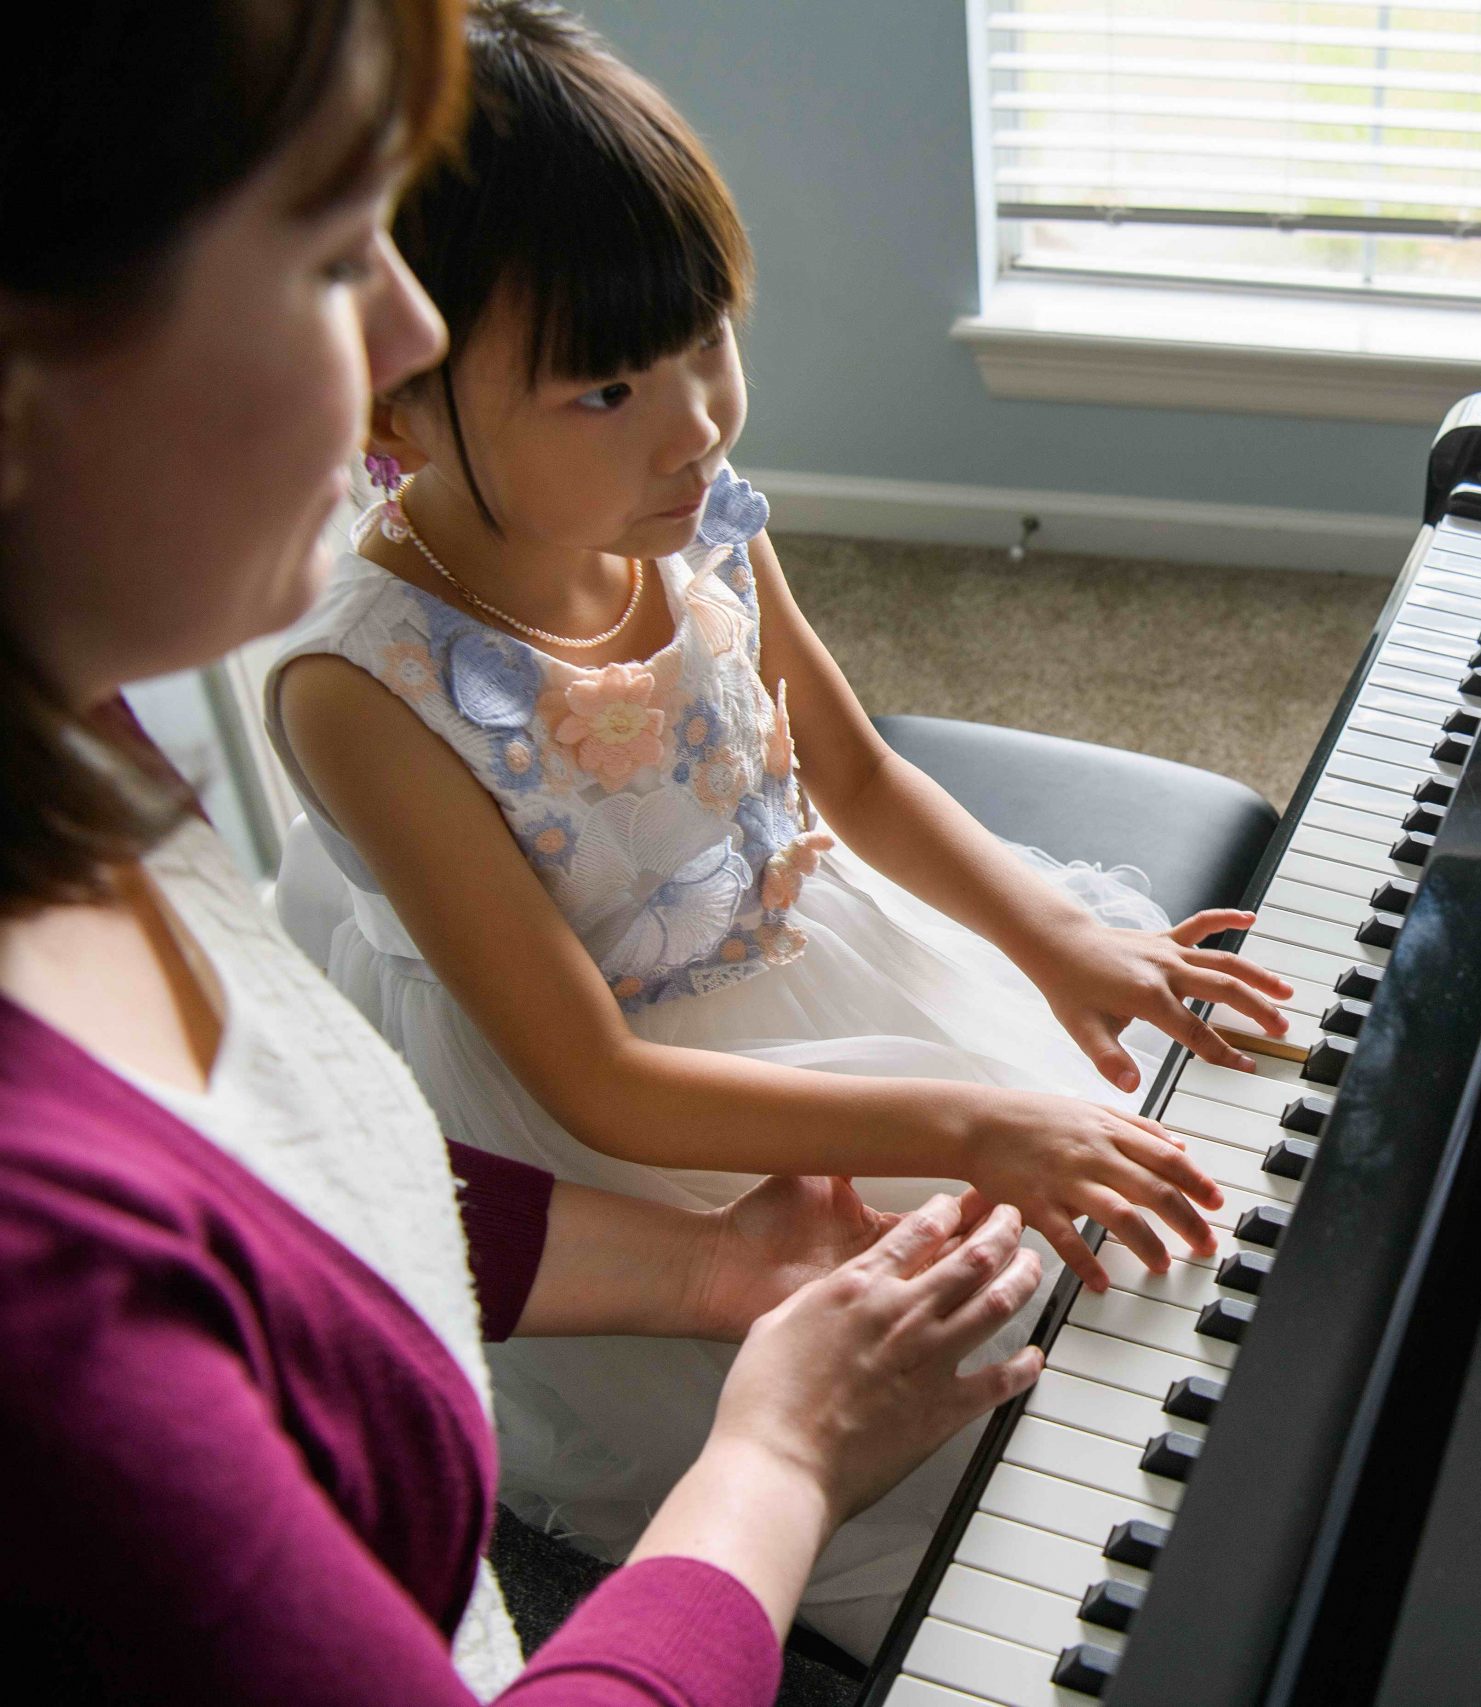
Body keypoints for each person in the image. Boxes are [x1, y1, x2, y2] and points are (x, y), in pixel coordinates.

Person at [0, 0, 1045, 1698]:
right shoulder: (55, 1314)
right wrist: (777, 1460)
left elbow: (312, 1160)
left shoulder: (76, 752)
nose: (404, 329)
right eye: (336, 255)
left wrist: (714, 1269)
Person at [263, 0, 1293, 1651]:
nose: (698, 422)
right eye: (607, 385)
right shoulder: (362, 689)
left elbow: (857, 775)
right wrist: (963, 1124)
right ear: (394, 398)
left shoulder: (687, 504)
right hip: (636, 1109)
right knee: (983, 1401)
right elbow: (586, 1074)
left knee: (1148, 1216)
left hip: (821, 950)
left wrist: (1058, 938)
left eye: (706, 342)